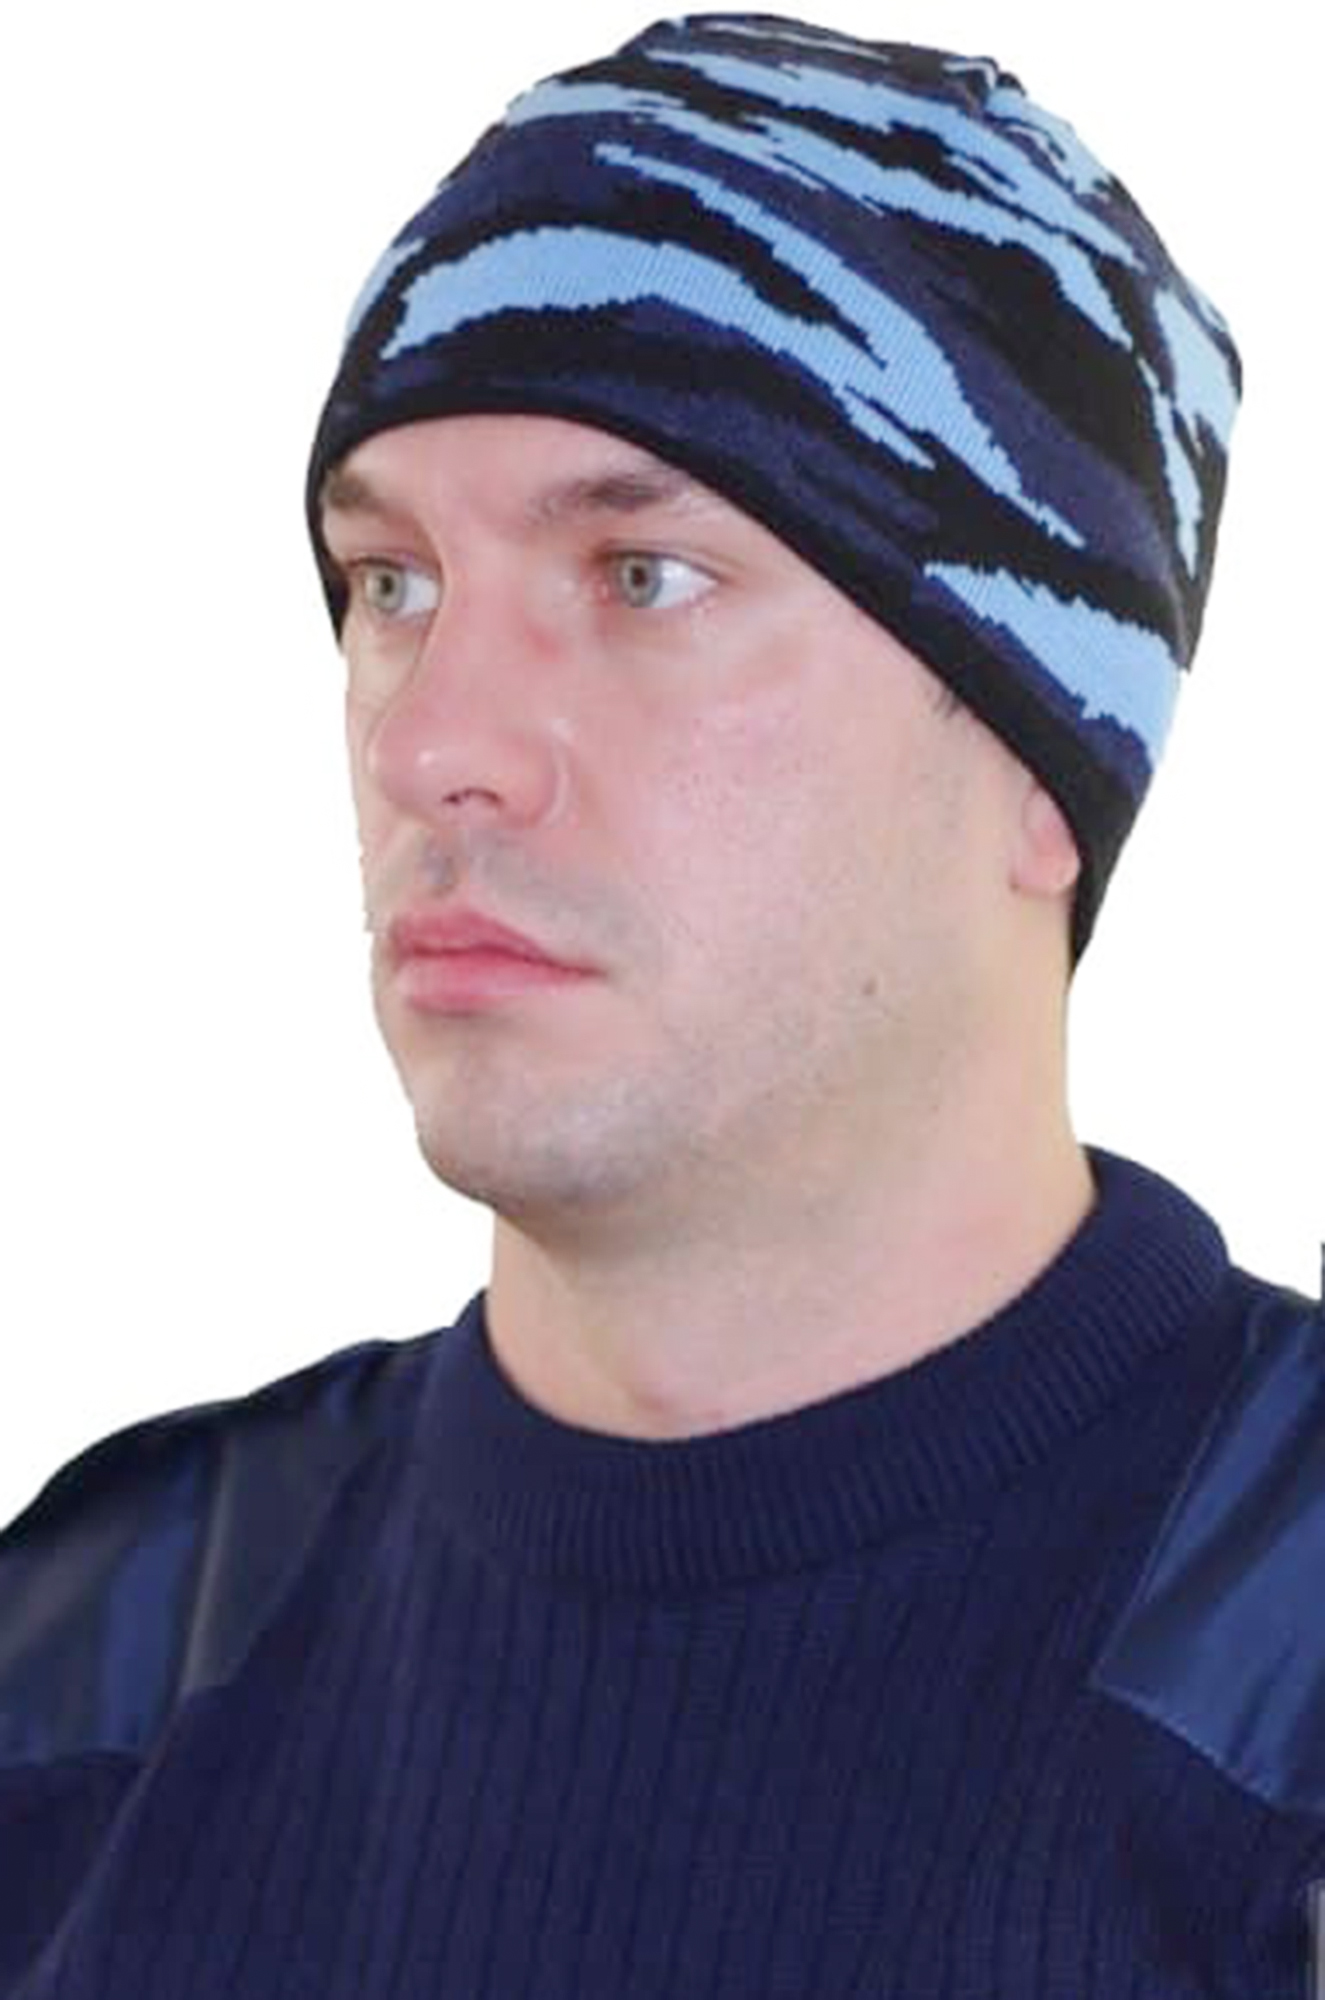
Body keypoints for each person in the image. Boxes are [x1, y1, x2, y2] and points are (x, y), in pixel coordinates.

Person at [1, 13, 1321, 1995]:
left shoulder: (1277, 1673)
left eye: (641, 576)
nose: (434, 746)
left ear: (1045, 758)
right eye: (391, 582)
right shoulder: (97, 1658)